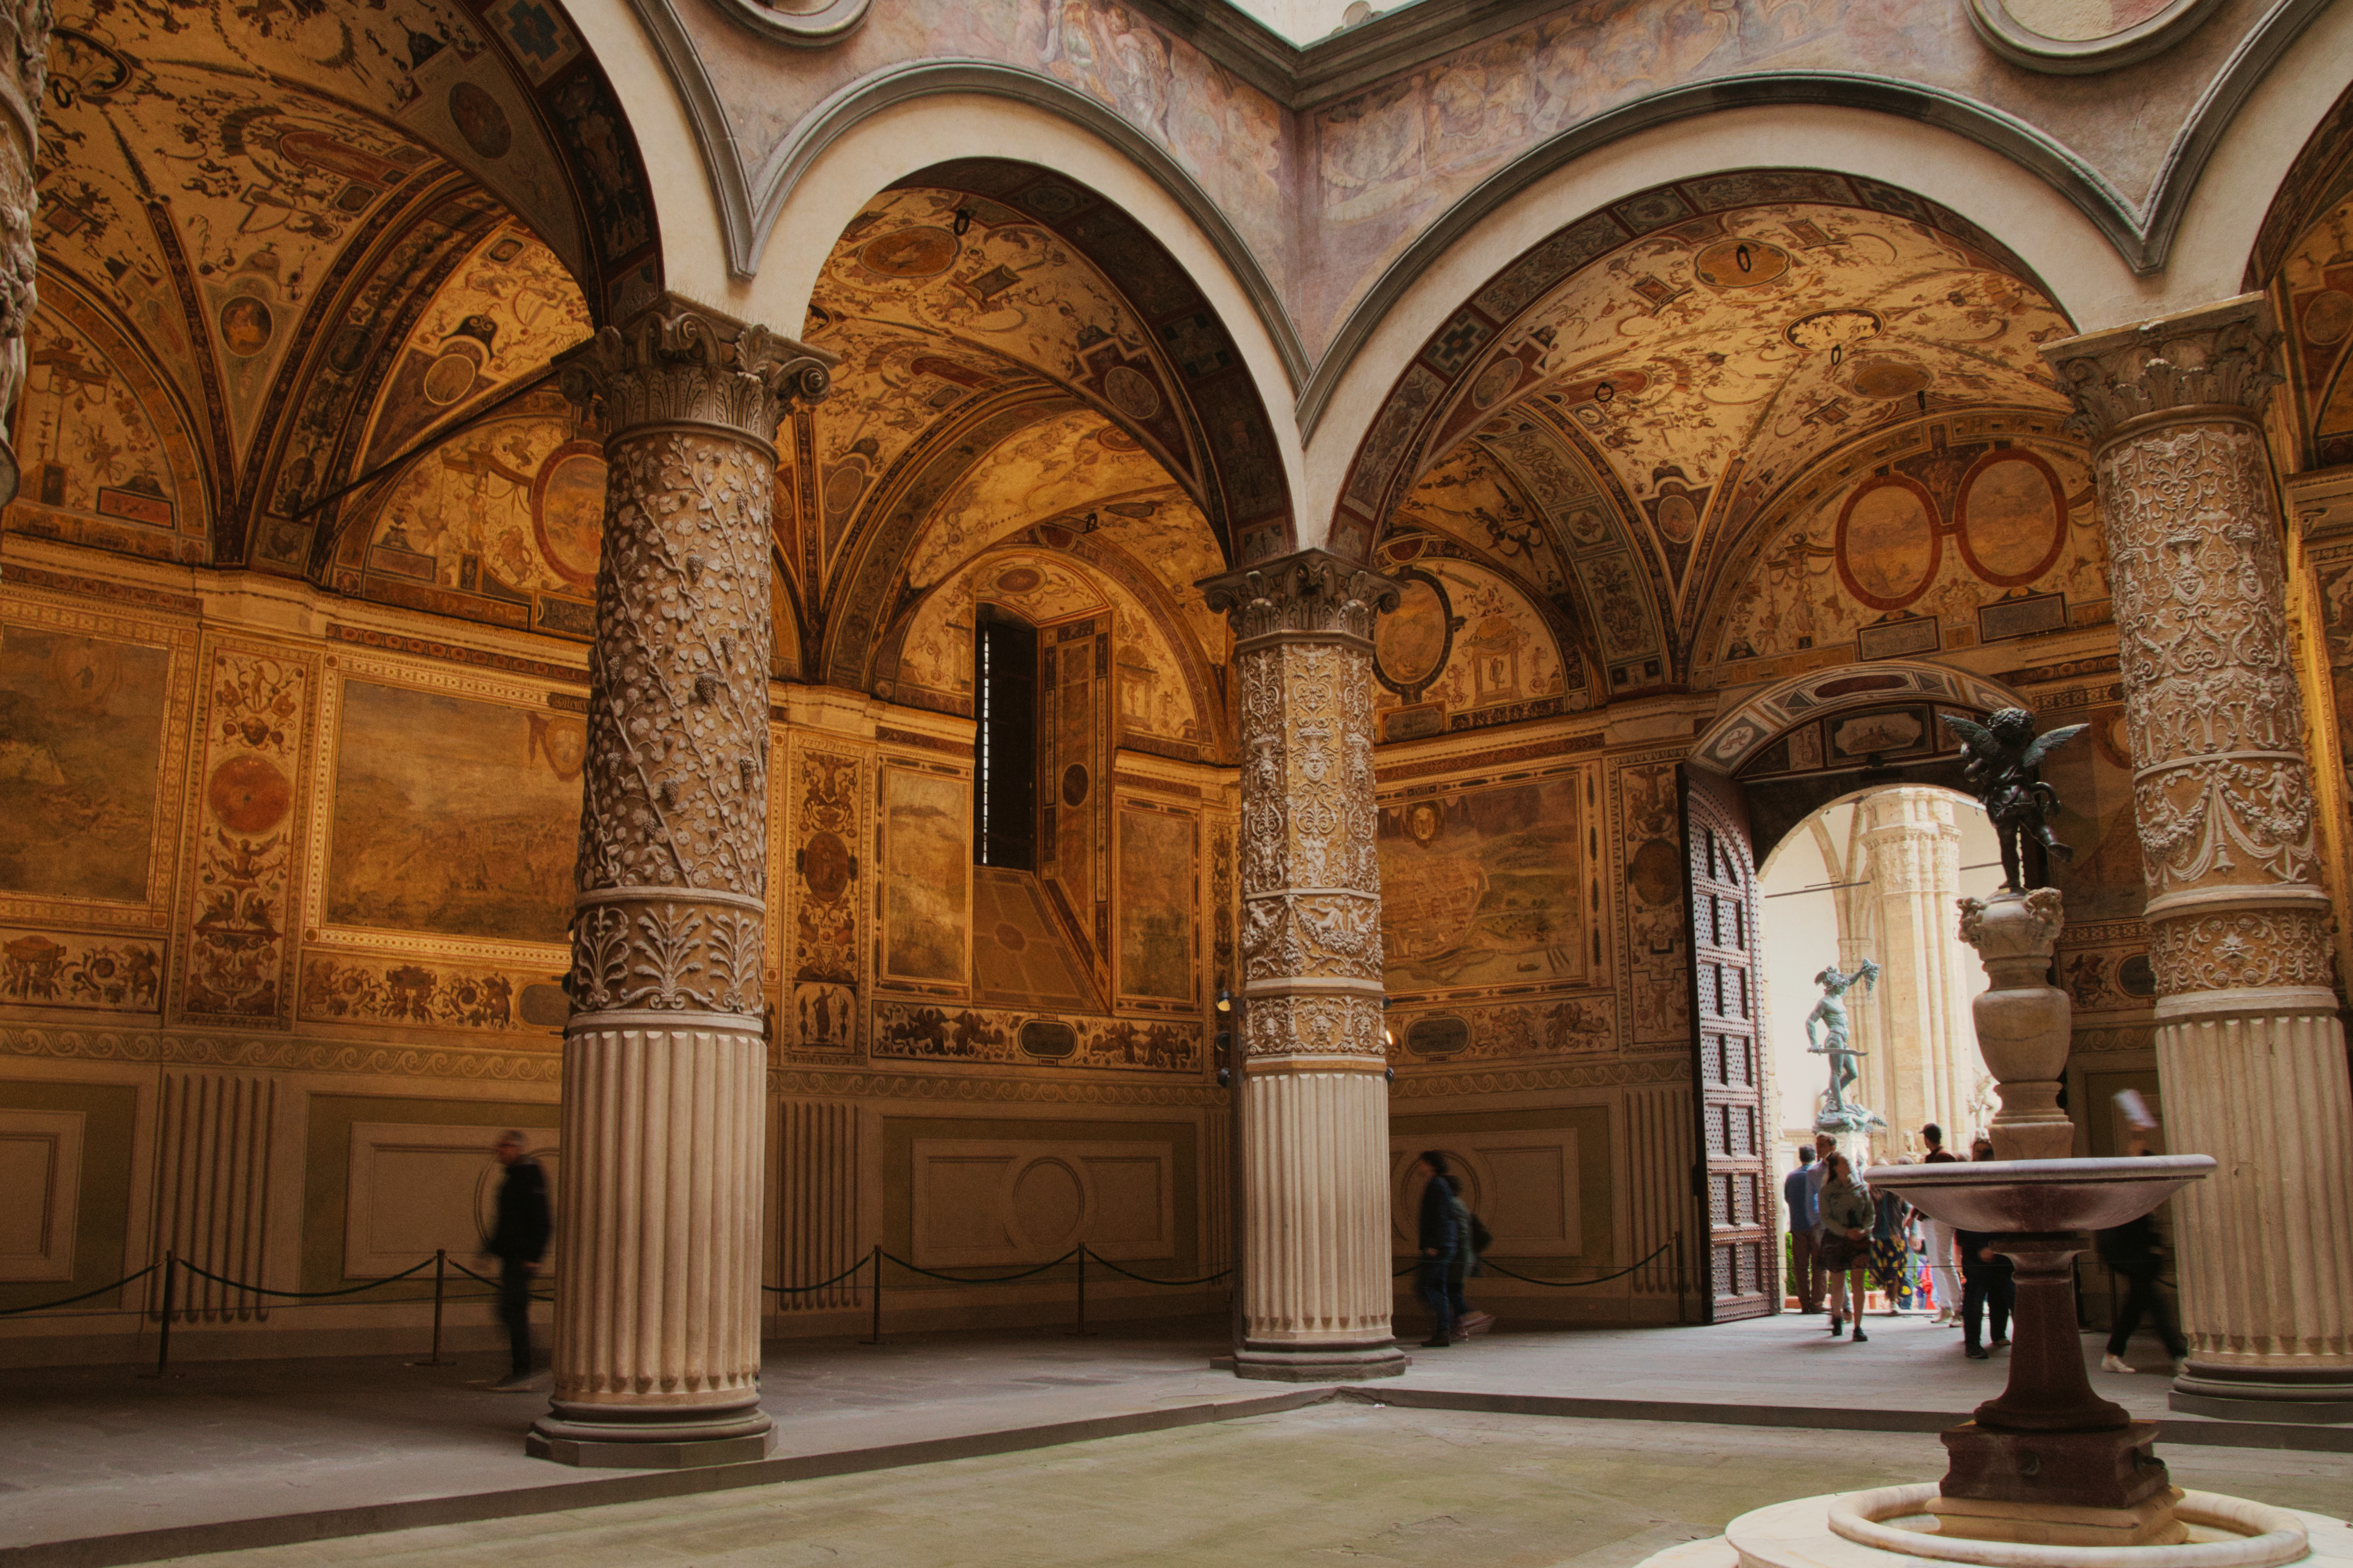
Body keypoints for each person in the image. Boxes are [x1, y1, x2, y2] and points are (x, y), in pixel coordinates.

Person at [2098, 1122, 2188, 1375]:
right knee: (2155, 1306)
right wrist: (2138, 1133)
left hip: (2137, 1256)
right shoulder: (2137, 1186)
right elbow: (2135, 1158)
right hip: (2132, 1256)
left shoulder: (2146, 1193)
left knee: (2135, 1308)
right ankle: (2178, 1354)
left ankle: (2112, 1355)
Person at [484, 1131, 551, 1390]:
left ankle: (524, 1368)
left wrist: (533, 1256)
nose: (499, 1150)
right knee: (512, 1310)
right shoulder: (515, 1177)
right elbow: (507, 1220)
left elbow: (541, 1218)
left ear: (516, 1148)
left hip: (522, 1257)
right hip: (513, 1255)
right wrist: (490, 1249)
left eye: (504, 1146)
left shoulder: (528, 1175)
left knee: (511, 1310)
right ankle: (527, 1363)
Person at [1958, 1136, 2014, 1360]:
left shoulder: (2001, 1180)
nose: (1981, 1155)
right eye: (1978, 1151)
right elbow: (1965, 1218)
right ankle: (1973, 1343)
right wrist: (1981, 1247)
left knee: (2004, 1293)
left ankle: (2000, 1334)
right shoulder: (1967, 1183)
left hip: (2000, 1248)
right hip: (1976, 1250)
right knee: (1975, 1297)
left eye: (1985, 1152)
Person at [1818, 1152, 1873, 1343]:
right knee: (1838, 1282)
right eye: (1844, 1162)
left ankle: (1858, 1327)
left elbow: (1870, 1213)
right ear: (1835, 1168)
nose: (1849, 1164)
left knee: (1858, 1283)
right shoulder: (1827, 1191)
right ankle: (1838, 1318)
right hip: (1837, 1240)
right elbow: (1826, 1217)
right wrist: (1844, 1232)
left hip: (1859, 1240)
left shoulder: (1860, 1188)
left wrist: (1865, 1230)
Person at [1413, 1151, 1460, 1349]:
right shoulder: (1441, 1185)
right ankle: (1445, 1328)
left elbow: (1438, 1216)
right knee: (1436, 1286)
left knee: (1427, 1287)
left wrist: (1433, 1244)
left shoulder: (1437, 1185)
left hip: (1439, 1245)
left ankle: (1445, 1328)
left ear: (1431, 1165)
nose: (1420, 1167)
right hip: (1445, 1243)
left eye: (1423, 1163)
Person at [1920, 1124, 1962, 1326]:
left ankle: (1959, 1309)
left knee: (1944, 1261)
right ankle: (1946, 1306)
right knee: (1938, 1262)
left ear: (1927, 1139)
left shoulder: (1944, 1157)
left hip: (1941, 1214)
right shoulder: (1938, 1157)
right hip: (1932, 1214)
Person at [1871, 1159, 1915, 1314]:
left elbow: (1909, 1210)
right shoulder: (1870, 1191)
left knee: (1895, 1271)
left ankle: (1893, 1302)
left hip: (1895, 1237)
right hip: (1876, 1237)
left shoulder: (1897, 1190)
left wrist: (1911, 1232)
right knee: (1880, 1271)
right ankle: (1890, 1298)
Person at [1784, 1147, 1822, 1313]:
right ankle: (1817, 1304)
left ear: (1800, 1158)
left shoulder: (1791, 1177)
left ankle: (1805, 1305)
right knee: (1820, 1267)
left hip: (1798, 1226)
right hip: (1816, 1227)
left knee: (1800, 1268)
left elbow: (1787, 1198)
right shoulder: (1816, 1175)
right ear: (1814, 1157)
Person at [1805, 1132, 1836, 1315]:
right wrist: (1815, 1221)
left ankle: (1844, 1307)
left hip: (1841, 1223)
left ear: (1833, 1147)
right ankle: (1843, 1308)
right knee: (1832, 1265)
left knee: (1839, 1266)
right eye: (1817, 1145)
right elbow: (1810, 1199)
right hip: (1823, 1226)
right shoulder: (1814, 1172)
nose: (1819, 1148)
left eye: (1823, 1145)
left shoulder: (1842, 1168)